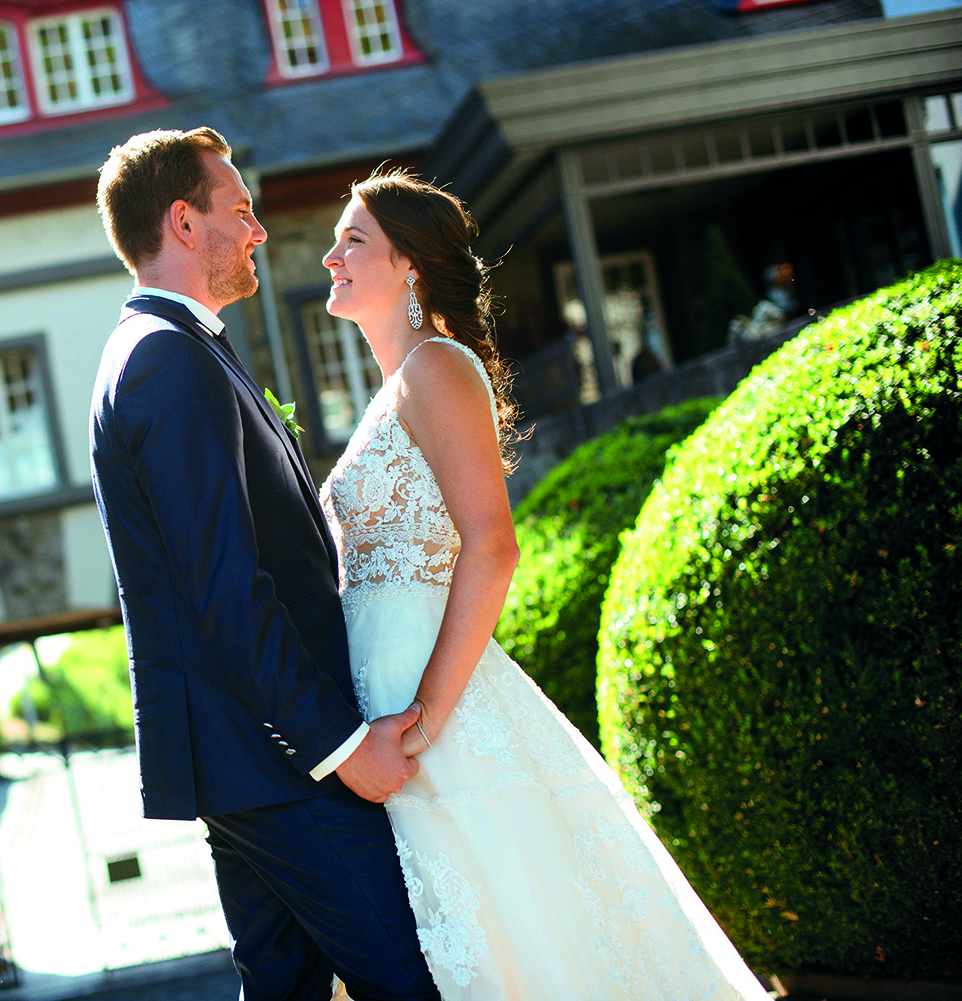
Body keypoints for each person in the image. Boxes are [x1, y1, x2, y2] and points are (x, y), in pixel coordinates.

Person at [318, 168, 773, 1000]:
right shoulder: (397, 387)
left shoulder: (437, 368)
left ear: (411, 265)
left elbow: (492, 547)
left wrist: (423, 721)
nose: (329, 256)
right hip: (381, 694)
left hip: (429, 703)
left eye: (353, 239)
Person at [89, 129, 441, 1001]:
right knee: (414, 977)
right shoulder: (167, 363)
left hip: (242, 760)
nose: (258, 232)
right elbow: (224, 587)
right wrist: (340, 748)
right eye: (239, 212)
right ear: (183, 221)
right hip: (280, 764)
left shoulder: (167, 349)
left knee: (282, 988)